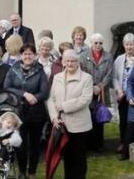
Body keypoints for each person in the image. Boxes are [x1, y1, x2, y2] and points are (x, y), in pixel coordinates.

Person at [4, 43, 49, 179]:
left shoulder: (40, 70)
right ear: (21, 55)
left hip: (36, 112)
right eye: (25, 54)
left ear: (34, 55)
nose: (27, 56)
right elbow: (7, 87)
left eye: (30, 54)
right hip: (18, 112)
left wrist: (35, 97)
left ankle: (32, 171)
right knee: (20, 143)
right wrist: (24, 94)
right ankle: (22, 171)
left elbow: (45, 92)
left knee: (35, 145)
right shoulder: (13, 69)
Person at [47, 49, 93, 179]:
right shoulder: (57, 77)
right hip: (62, 125)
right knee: (67, 157)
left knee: (79, 158)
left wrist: (63, 106)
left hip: (80, 125)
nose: (70, 63)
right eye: (67, 61)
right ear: (63, 62)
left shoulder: (86, 78)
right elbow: (51, 99)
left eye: (73, 61)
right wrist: (54, 117)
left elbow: (85, 100)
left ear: (78, 62)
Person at [79, 33, 113, 151]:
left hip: (102, 92)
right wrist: (92, 86)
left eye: (100, 43)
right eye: (96, 43)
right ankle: (88, 144)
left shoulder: (108, 56)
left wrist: (100, 86)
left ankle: (99, 145)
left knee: (99, 116)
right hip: (88, 90)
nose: (98, 45)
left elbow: (109, 74)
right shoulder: (83, 56)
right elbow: (82, 72)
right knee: (88, 116)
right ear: (91, 43)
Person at [113, 33, 134, 156]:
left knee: (133, 121)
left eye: (131, 44)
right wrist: (118, 90)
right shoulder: (119, 59)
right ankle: (123, 142)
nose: (129, 47)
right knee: (123, 119)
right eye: (127, 44)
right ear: (124, 45)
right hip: (122, 95)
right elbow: (114, 77)